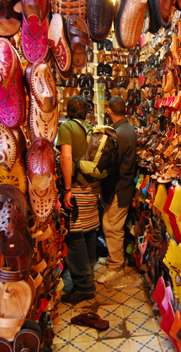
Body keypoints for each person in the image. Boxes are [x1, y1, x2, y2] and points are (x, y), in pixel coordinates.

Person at [57, 95, 101, 304]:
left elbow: (66, 157)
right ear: (85, 112)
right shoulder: (90, 128)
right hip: (93, 187)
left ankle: (84, 286)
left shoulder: (67, 128)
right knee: (89, 231)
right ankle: (88, 274)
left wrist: (67, 189)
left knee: (74, 236)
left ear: (68, 111)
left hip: (76, 188)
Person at [98, 96, 137, 284]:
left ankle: (116, 266)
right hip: (123, 185)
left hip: (120, 187)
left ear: (109, 111)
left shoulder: (119, 133)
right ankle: (114, 258)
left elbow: (113, 164)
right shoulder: (126, 128)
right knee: (110, 223)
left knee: (112, 227)